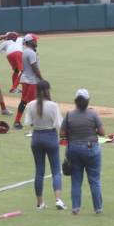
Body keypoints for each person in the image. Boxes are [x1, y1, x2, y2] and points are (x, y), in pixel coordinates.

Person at [61, 88, 105, 215]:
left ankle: (75, 208)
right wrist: (92, 131)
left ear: (75, 101)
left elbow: (62, 133)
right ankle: (98, 208)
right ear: (88, 101)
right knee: (94, 180)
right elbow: (102, 132)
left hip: (74, 149)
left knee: (76, 180)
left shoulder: (70, 114)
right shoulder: (93, 114)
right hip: (91, 149)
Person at [23, 80, 65, 210]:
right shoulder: (53, 105)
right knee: (56, 171)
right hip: (50, 136)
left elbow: (28, 122)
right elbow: (59, 124)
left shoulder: (31, 104)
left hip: (36, 137)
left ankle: (40, 202)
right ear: (48, 90)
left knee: (39, 172)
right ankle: (58, 199)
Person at [13, 33, 41, 129]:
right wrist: (42, 79)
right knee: (28, 102)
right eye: (34, 40)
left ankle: (30, 121)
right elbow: (34, 67)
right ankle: (18, 121)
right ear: (29, 42)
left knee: (27, 101)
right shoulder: (31, 53)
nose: (36, 41)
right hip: (31, 81)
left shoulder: (26, 51)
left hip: (26, 79)